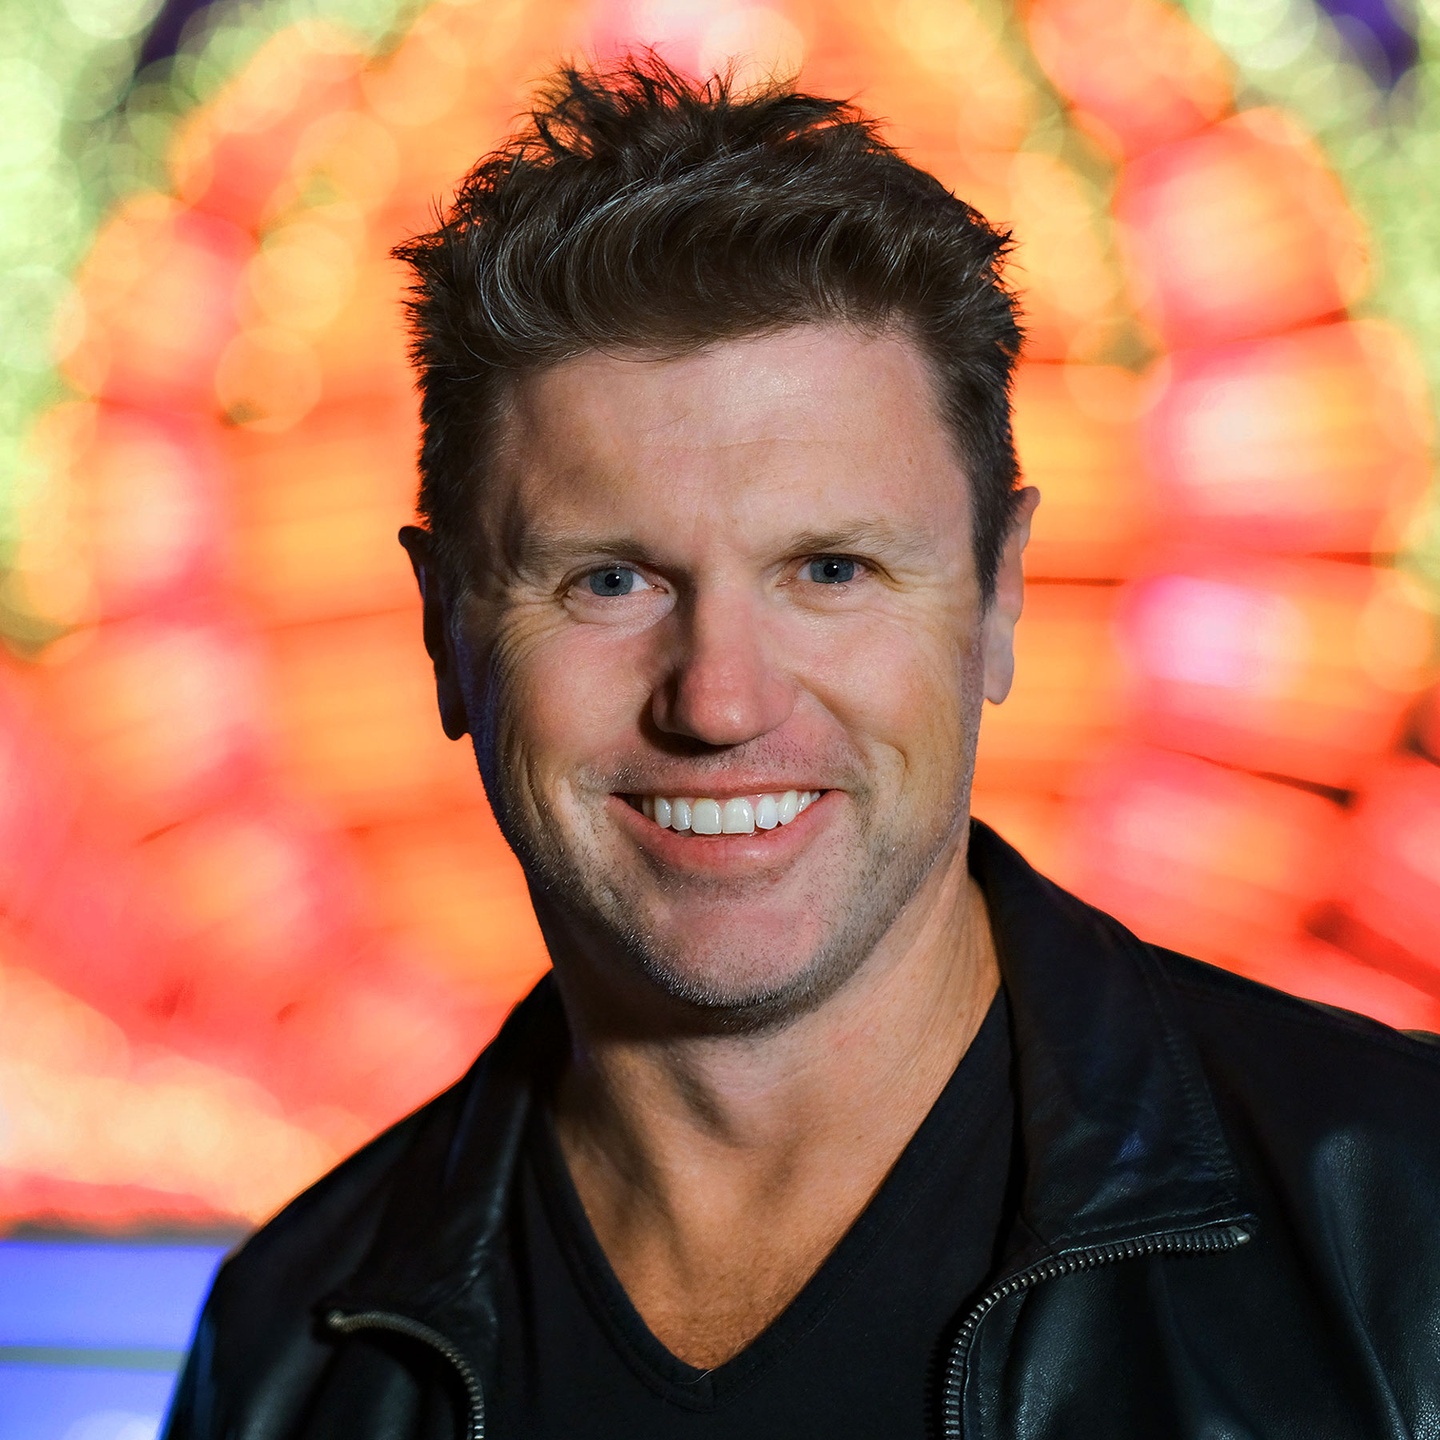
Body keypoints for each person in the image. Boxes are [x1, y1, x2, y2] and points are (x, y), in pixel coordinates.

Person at [164, 59, 1440, 1440]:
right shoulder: (291, 1354)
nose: (720, 702)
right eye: (609, 581)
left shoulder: (1408, 1240)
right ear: (443, 628)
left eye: (830, 569)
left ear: (999, 597)